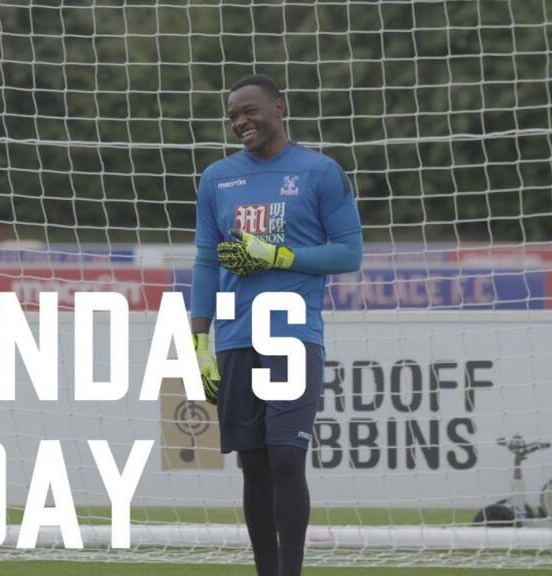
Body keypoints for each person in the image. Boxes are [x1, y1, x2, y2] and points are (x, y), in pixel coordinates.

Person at [190, 74, 363, 576]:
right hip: (237, 337)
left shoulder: (319, 172)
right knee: (253, 463)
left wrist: (278, 254)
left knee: (287, 457)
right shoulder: (217, 178)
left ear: (279, 108)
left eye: (250, 111)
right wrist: (199, 339)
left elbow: (349, 253)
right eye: (233, 117)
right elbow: (205, 263)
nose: (241, 122)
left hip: (291, 333)